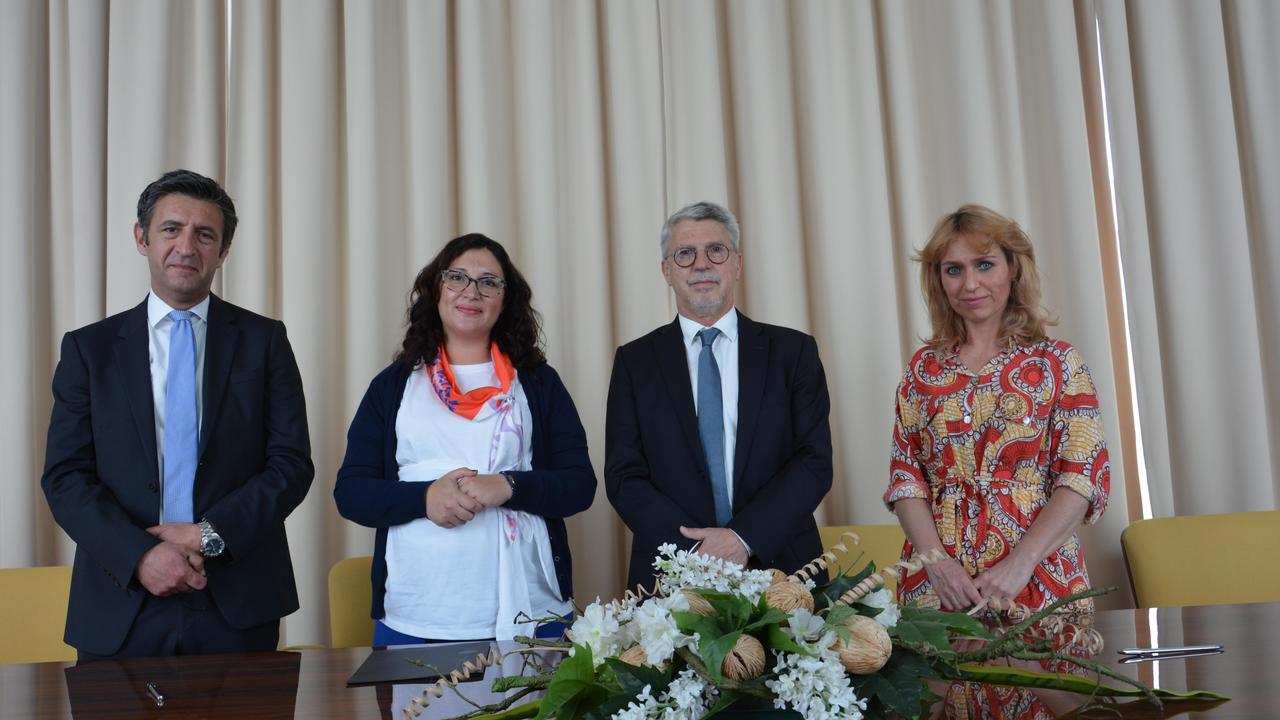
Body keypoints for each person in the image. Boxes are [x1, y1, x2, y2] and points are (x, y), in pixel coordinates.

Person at [41, 169, 314, 660]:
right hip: (121, 599)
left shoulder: (265, 341)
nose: (186, 246)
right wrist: (141, 555)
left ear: (223, 251)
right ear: (142, 238)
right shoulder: (90, 349)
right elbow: (65, 477)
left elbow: (291, 464)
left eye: (204, 234)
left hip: (237, 596)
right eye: (171, 229)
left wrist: (209, 534)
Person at [884, 204, 1110, 717]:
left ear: (1013, 269)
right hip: (939, 581)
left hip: (1040, 575)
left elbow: (1082, 478)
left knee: (1053, 704)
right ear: (939, 280)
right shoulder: (923, 369)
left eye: (984, 264)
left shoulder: (1058, 364)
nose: (970, 283)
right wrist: (936, 565)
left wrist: (1019, 565)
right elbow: (906, 480)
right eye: (953, 269)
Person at [334, 233, 595, 644]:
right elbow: (351, 492)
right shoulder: (392, 386)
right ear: (436, 289)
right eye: (457, 277)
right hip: (417, 617)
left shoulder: (540, 383)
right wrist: (424, 498)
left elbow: (580, 486)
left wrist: (509, 485)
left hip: (533, 614)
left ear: (505, 300)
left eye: (489, 282)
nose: (471, 292)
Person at [605, 201, 833, 591]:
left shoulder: (793, 352)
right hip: (672, 575)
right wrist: (696, 551)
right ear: (667, 270)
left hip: (782, 566)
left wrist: (742, 538)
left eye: (716, 250)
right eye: (685, 254)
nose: (701, 264)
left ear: (737, 264)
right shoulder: (634, 361)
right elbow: (624, 476)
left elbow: (814, 462)